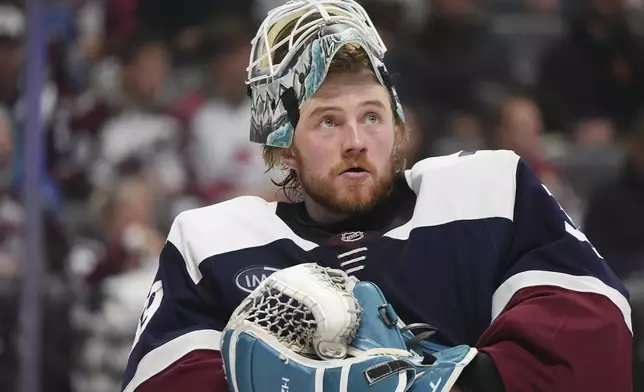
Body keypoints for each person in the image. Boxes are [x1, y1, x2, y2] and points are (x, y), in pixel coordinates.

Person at [121, 1, 632, 391]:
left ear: (399, 126)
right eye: (327, 121)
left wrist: (440, 382)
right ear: (284, 147)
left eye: (372, 115)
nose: (356, 141)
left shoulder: (490, 194)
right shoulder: (211, 243)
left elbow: (593, 334)